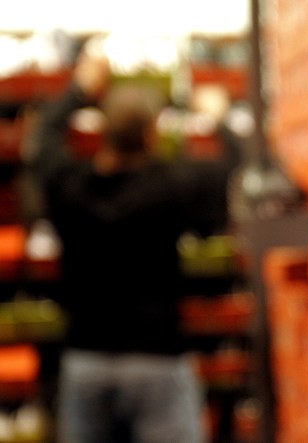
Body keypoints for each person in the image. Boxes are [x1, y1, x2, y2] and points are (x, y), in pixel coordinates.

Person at [26, 47, 242, 443]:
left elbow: (39, 142)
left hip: (86, 359)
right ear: (150, 135)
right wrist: (216, 117)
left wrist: (79, 90)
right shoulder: (172, 185)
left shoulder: (70, 186)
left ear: (103, 132)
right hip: (158, 360)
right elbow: (234, 165)